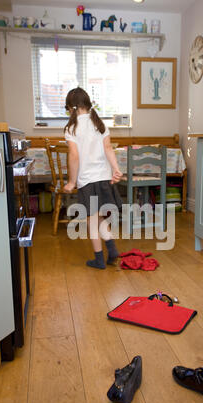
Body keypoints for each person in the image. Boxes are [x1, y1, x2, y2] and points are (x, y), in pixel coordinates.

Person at [63, 87, 123, 269]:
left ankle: (99, 259)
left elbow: (74, 156)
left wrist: (72, 181)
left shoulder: (72, 128)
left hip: (87, 181)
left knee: (92, 222)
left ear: (70, 108)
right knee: (99, 219)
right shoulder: (99, 123)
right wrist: (116, 169)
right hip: (103, 178)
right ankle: (111, 250)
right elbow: (108, 148)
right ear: (88, 104)